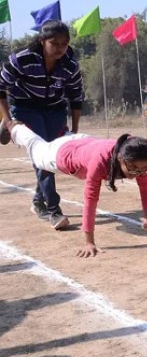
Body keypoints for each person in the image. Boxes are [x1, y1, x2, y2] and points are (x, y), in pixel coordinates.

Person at [5, 120, 147, 257]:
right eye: (133, 168)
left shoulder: (138, 155)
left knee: (139, 170)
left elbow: (145, 188)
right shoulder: (100, 162)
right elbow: (90, 201)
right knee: (37, 151)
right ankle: (16, 127)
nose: (137, 173)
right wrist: (89, 242)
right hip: (64, 153)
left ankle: (64, 133)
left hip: (84, 141)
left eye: (143, 168)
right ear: (120, 158)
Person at [0, 20, 83, 229]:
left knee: (53, 157)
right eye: (54, 43)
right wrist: (10, 120)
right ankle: (53, 210)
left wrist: (74, 130)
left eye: (64, 44)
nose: (59, 48)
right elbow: (1, 88)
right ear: (42, 41)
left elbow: (76, 98)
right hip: (25, 108)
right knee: (42, 154)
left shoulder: (70, 65)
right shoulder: (21, 60)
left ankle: (38, 201)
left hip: (55, 110)